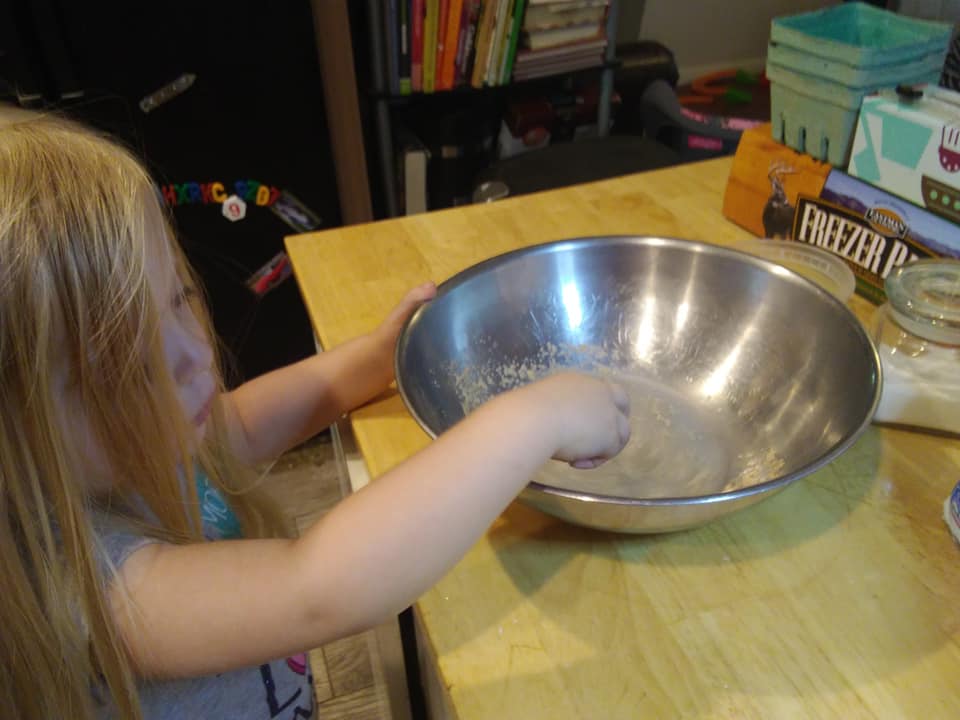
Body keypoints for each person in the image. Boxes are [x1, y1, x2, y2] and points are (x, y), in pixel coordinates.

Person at [0, 108, 631, 720]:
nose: (194, 357)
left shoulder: (131, 452)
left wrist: (374, 359)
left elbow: (241, 426)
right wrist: (534, 418)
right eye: (124, 366)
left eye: (179, 297)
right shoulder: (89, 586)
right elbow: (320, 589)